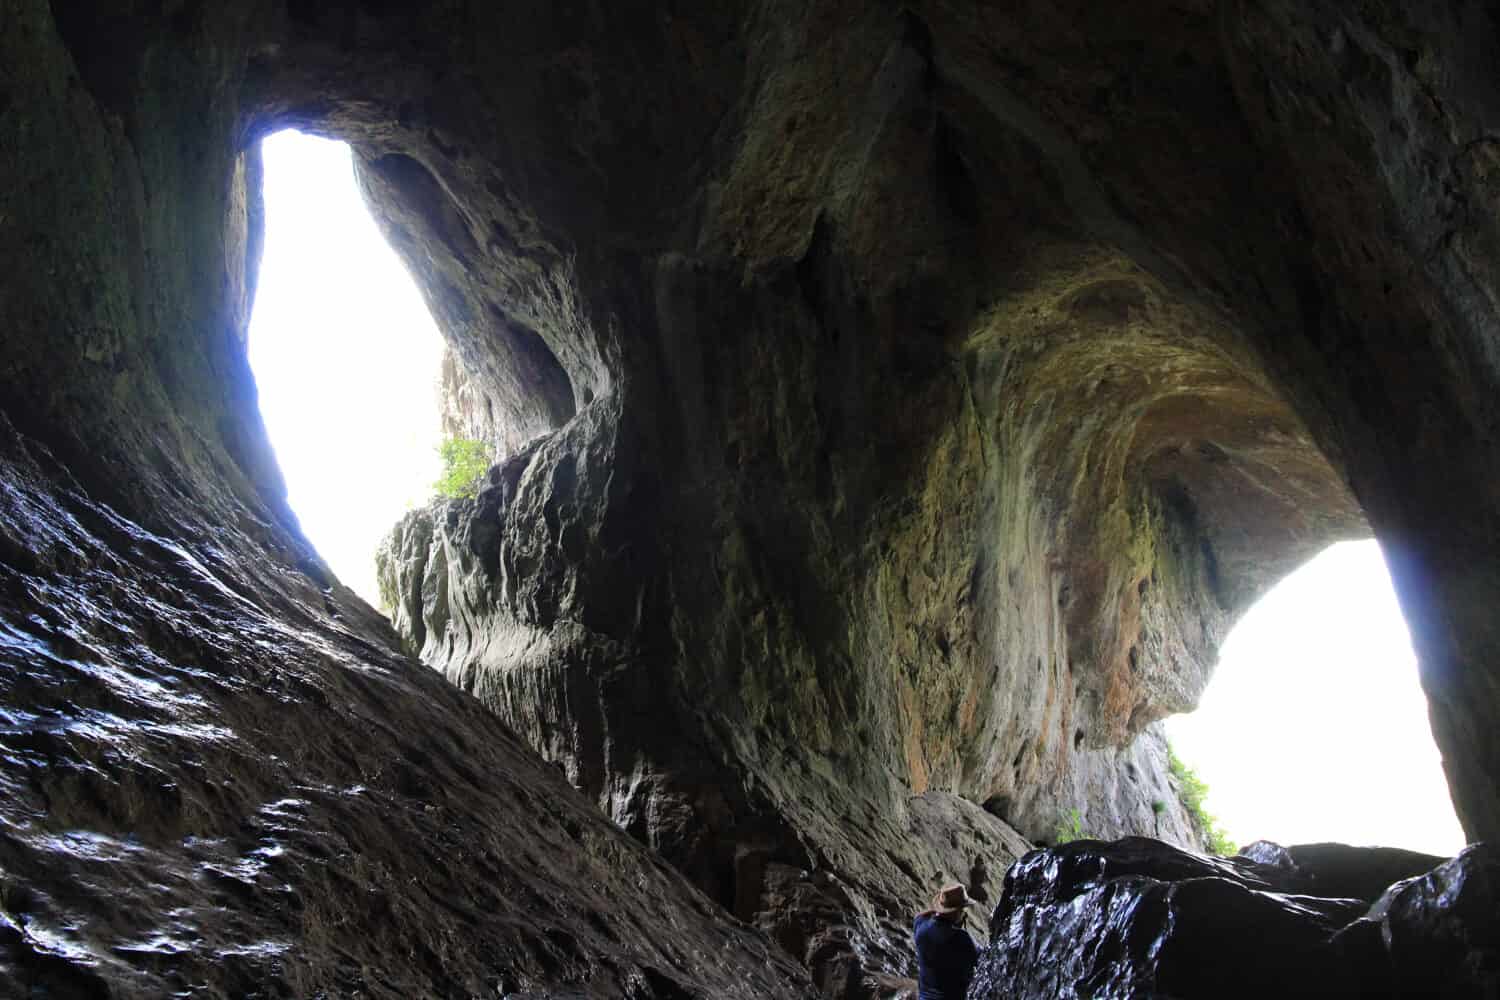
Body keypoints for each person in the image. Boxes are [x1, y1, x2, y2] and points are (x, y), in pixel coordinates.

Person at [913, 882, 979, 1000]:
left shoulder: (919, 922)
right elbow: (979, 958)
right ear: (958, 911)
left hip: (924, 996)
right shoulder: (960, 937)